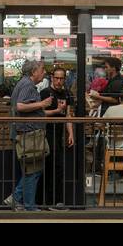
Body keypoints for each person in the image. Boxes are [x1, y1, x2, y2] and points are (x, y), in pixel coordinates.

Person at [8, 59, 53, 212]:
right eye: (42, 69)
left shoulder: (24, 83)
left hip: (28, 133)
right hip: (29, 134)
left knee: (32, 170)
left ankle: (17, 199)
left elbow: (28, 108)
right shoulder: (27, 85)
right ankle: (26, 204)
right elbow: (21, 106)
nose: (44, 72)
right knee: (32, 171)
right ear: (34, 72)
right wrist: (42, 104)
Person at [38, 66, 76, 209]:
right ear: (52, 78)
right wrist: (56, 110)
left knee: (58, 167)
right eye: (57, 78)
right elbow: (39, 113)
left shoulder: (67, 94)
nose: (59, 81)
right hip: (46, 132)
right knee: (49, 167)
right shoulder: (45, 93)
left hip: (59, 133)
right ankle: (48, 201)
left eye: (62, 78)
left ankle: (57, 201)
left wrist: (70, 133)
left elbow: (68, 115)